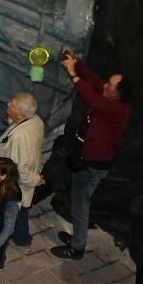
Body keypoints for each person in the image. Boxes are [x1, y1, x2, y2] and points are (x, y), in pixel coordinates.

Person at [51, 48, 133, 261]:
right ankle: (76, 239)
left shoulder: (118, 109)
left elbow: (92, 98)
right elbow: (95, 82)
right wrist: (76, 63)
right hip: (84, 158)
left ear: (119, 93)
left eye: (110, 86)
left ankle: (77, 246)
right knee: (77, 197)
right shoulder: (111, 97)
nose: (105, 86)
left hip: (93, 164)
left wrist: (74, 74)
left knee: (81, 204)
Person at [0, 91, 45, 248]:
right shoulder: (36, 120)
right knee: (20, 209)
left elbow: (19, 167)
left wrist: (35, 179)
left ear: (20, 113)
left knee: (12, 213)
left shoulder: (20, 137)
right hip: (22, 185)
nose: (8, 104)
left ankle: (6, 244)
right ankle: (22, 239)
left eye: (12, 105)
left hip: (13, 184)